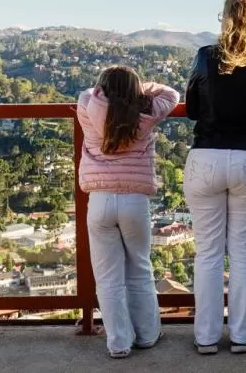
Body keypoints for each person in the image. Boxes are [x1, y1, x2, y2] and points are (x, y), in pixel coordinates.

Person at [184, 0, 246, 355]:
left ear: (225, 19)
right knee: (243, 251)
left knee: (207, 252)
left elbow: (193, 109)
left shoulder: (206, 56)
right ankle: (241, 336)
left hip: (206, 155)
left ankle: (206, 337)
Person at [77, 66, 179, 359]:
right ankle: (147, 335)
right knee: (140, 268)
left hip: (99, 200)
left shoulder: (87, 106)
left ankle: (119, 342)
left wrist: (108, 89)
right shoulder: (147, 113)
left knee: (108, 276)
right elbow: (171, 93)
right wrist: (139, 89)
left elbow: (86, 93)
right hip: (135, 200)